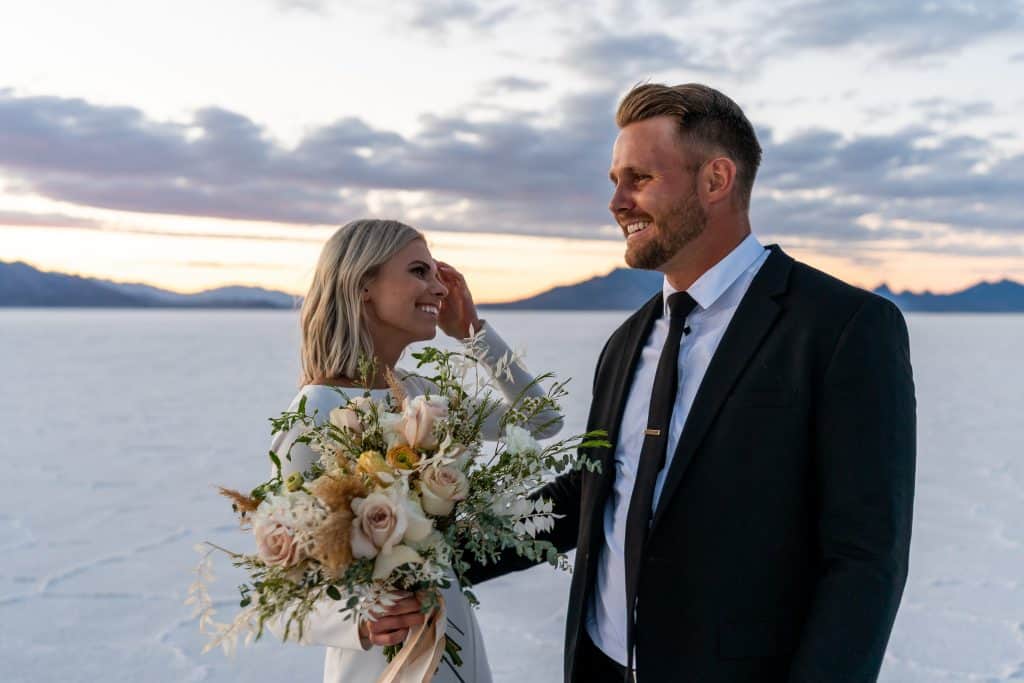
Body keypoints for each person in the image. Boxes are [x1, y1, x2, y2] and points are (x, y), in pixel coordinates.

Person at [467, 83, 916, 682]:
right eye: (613, 181)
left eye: (638, 179)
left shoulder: (841, 328)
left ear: (716, 179)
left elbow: (865, 561)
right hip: (602, 665)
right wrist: (433, 556)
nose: (616, 202)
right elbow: (598, 489)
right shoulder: (628, 341)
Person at [269, 218, 562, 683]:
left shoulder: (423, 395)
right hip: (383, 661)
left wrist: (474, 333)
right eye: (420, 272)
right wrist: (357, 621)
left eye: (437, 275)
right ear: (364, 285)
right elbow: (283, 586)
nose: (439, 288)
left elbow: (542, 420)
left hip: (454, 636)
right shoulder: (316, 409)